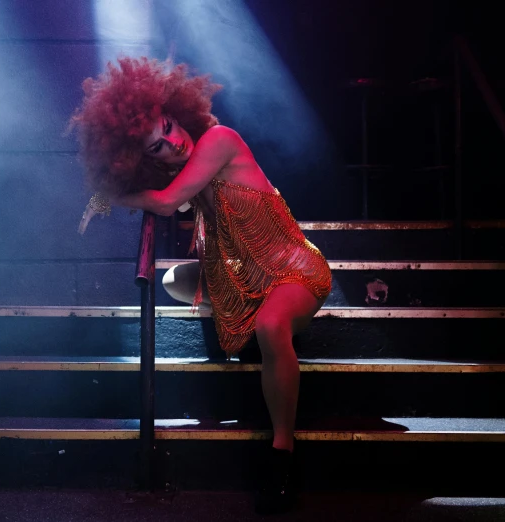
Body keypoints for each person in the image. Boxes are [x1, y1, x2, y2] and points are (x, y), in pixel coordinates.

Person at [69, 57, 331, 514]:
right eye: (155, 148)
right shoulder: (187, 172)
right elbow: (167, 195)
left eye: (169, 127)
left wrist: (109, 196)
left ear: (179, 112)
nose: (172, 143)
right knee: (173, 279)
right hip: (245, 276)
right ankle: (243, 308)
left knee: (271, 326)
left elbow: (168, 203)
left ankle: (282, 453)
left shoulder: (219, 140)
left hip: (294, 271)